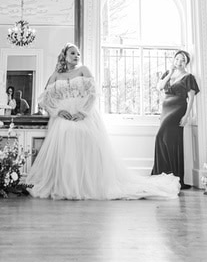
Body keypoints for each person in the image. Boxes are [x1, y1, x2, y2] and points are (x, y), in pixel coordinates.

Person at [27, 43, 179, 200]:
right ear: (64, 56)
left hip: (83, 114)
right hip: (63, 118)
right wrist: (58, 110)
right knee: (65, 146)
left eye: (78, 54)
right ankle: (65, 186)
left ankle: (86, 185)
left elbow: (93, 93)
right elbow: (45, 98)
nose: (76, 56)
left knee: (84, 144)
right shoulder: (56, 75)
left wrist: (82, 112)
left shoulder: (83, 70)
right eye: (72, 53)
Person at [151, 50, 200, 189]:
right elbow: (160, 87)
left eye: (183, 60)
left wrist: (186, 116)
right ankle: (162, 174)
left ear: (187, 63)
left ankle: (174, 175)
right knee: (164, 139)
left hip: (178, 110)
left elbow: (191, 98)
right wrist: (170, 73)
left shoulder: (189, 77)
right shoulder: (168, 73)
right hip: (166, 110)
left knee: (163, 137)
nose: (179, 62)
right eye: (177, 59)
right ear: (174, 60)